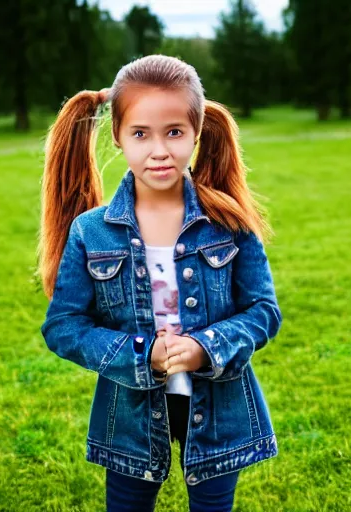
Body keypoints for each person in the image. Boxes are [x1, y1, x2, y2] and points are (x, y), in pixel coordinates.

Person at [38, 54, 283, 512]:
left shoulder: (229, 222)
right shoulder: (90, 232)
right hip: (128, 415)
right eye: (139, 134)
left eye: (174, 132)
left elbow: (264, 312)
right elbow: (63, 326)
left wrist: (206, 346)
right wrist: (140, 353)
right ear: (117, 136)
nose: (159, 150)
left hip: (219, 410)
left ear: (196, 132)